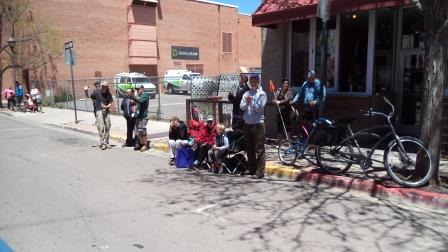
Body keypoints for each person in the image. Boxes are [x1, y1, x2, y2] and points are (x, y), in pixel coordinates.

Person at [240, 74, 267, 179]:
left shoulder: (262, 94)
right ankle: (252, 169)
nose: (253, 83)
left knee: (259, 148)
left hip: (258, 124)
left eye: (255, 81)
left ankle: (260, 172)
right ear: (250, 82)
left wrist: (251, 102)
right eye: (252, 81)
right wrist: (247, 103)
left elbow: (259, 109)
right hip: (247, 124)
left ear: (258, 82)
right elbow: (242, 107)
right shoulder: (246, 93)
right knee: (250, 148)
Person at [88, 81, 113, 150]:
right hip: (99, 111)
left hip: (106, 111)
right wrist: (86, 91)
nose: (104, 87)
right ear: (101, 86)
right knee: (101, 127)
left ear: (107, 87)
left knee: (108, 126)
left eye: (105, 86)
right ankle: (103, 143)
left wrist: (107, 106)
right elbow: (89, 96)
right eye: (103, 86)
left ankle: (107, 142)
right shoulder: (97, 92)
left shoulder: (108, 94)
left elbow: (110, 102)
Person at [132, 85, 150, 152]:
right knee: (138, 132)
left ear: (142, 89)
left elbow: (141, 101)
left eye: (138, 89)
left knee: (142, 131)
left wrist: (133, 96)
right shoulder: (139, 96)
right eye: (136, 89)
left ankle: (145, 145)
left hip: (143, 117)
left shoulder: (144, 95)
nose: (137, 90)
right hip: (138, 116)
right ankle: (141, 144)